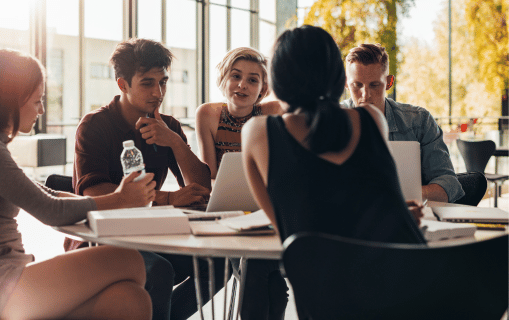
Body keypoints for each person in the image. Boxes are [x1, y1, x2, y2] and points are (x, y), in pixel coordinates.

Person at [0, 49, 152, 320]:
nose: (42, 109)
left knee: (130, 301)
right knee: (127, 259)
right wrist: (120, 199)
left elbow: (46, 193)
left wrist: (115, 198)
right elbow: (50, 210)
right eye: (37, 100)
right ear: (9, 99)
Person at [67, 38, 223, 320]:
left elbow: (202, 184)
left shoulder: (169, 126)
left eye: (163, 82)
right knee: (158, 271)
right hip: (100, 238)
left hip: (149, 233)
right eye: (147, 83)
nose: (158, 92)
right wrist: (167, 198)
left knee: (219, 262)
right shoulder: (95, 125)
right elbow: (94, 192)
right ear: (123, 84)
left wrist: (175, 142)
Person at [241, 25, 426, 247]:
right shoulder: (372, 119)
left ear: (276, 79)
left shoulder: (257, 132)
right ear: (339, 77)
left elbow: (290, 230)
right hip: (405, 272)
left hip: (322, 278)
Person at [195, 47, 288, 320]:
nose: (242, 85)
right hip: (227, 212)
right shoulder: (208, 114)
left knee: (263, 272)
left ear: (262, 88)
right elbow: (210, 174)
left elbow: (297, 103)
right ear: (223, 79)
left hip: (265, 210)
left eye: (253, 80)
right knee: (264, 274)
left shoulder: (270, 111)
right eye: (235, 76)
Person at [341, 43, 464, 203]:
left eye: (375, 85)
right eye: (357, 85)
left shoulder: (419, 121)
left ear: (389, 82)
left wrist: (403, 194)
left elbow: (449, 185)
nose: (366, 95)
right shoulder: (329, 121)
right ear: (345, 83)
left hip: (406, 218)